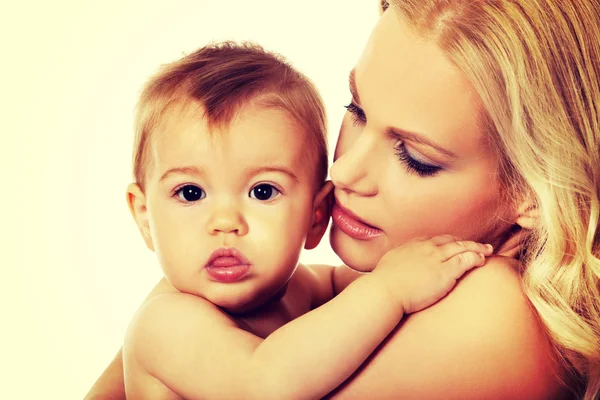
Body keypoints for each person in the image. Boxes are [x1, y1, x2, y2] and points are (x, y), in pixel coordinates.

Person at [87, 0, 600, 398]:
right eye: (356, 109)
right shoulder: (305, 296)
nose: (343, 171)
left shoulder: (499, 312)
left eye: (414, 156)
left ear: (534, 192)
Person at [120, 41, 492, 399]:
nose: (226, 223)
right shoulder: (165, 323)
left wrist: (418, 269)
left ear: (316, 217)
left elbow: (349, 288)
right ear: (144, 216)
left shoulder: (301, 288)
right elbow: (264, 384)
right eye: (191, 193)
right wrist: (391, 289)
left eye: (262, 191)